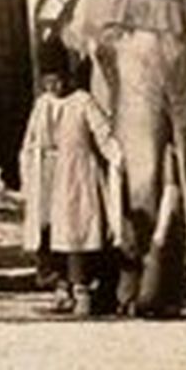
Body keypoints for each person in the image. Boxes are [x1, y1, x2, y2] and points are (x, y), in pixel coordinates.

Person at [20, 37, 124, 317]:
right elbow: (30, 141)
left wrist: (117, 158)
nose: (53, 87)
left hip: (76, 176)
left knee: (76, 231)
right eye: (47, 82)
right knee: (49, 232)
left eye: (57, 80)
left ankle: (82, 290)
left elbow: (103, 133)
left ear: (67, 77)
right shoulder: (42, 105)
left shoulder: (83, 101)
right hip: (48, 177)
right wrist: (28, 169)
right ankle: (61, 288)